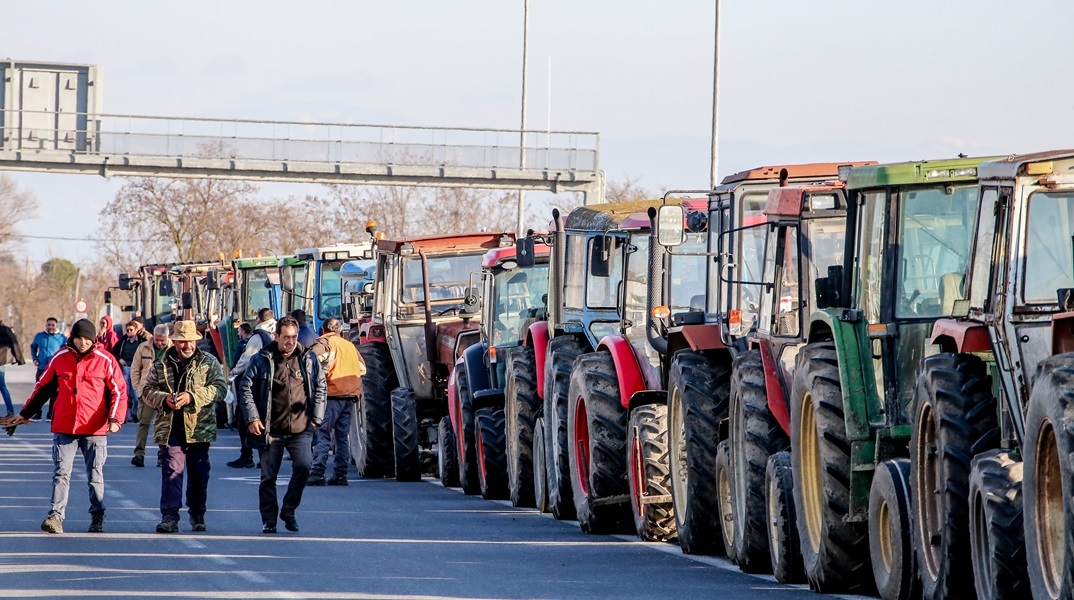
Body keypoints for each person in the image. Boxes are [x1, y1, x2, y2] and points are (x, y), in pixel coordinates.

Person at [2, 319, 126, 534]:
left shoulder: (105, 360)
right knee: (61, 473)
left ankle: (97, 515)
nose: (83, 342)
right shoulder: (60, 358)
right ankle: (56, 516)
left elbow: (119, 392)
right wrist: (24, 414)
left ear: (94, 338)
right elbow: (43, 389)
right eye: (79, 338)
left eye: (87, 338)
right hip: (65, 426)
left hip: (95, 427)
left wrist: (115, 420)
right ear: (73, 338)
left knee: (95, 475)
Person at [238, 316, 325, 534]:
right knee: (268, 477)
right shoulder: (262, 359)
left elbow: (321, 385)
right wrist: (253, 418)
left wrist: (317, 418)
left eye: (294, 337)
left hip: (301, 428)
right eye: (286, 337)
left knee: (304, 467)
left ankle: (289, 510)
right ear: (276, 336)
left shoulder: (308, 358)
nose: (290, 341)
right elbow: (246, 389)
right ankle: (269, 520)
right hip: (271, 430)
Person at [141, 320, 228, 534]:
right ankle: (169, 516)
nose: (186, 346)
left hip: (199, 429)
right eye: (181, 342)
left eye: (190, 341)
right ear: (175, 341)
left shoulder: (208, 362)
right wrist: (164, 399)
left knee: (199, 474)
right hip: (170, 428)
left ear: (195, 341)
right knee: (172, 471)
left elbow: (220, 389)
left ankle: (197, 513)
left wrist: (192, 397)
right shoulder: (161, 364)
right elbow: (147, 391)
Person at [308, 318, 365, 486]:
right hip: (350, 395)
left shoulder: (324, 343)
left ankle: (317, 473)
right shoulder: (349, 346)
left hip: (331, 395)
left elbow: (310, 364)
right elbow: (363, 369)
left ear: (323, 329)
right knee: (341, 437)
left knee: (322, 434)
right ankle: (340, 475)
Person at [227, 309, 275, 469]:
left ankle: (247, 455)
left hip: (257, 381)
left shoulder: (258, 336)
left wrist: (233, 372)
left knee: (246, 418)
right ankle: (267, 456)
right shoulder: (279, 331)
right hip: (275, 381)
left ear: (259, 319)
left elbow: (248, 358)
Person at [130, 324, 171, 467]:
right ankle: (139, 454)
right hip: (147, 392)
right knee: (144, 423)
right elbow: (135, 369)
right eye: (157, 340)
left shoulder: (173, 349)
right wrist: (138, 389)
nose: (159, 343)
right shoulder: (143, 348)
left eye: (162, 341)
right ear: (153, 336)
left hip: (165, 393)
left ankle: (162, 454)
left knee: (164, 424)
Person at [112, 321, 143, 423]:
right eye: (127, 330)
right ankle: (123, 417)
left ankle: (134, 414)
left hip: (136, 370)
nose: (129, 332)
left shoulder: (141, 341)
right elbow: (114, 352)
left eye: (131, 330)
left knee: (135, 395)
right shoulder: (124, 341)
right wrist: (120, 359)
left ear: (136, 330)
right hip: (126, 368)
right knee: (124, 393)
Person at [0, 318, 26, 418]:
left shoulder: (4, 330)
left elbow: (14, 343)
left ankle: (10, 411)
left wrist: (20, 359)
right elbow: (14, 342)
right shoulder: (5, 329)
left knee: (2, 386)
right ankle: (10, 411)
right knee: (2, 387)